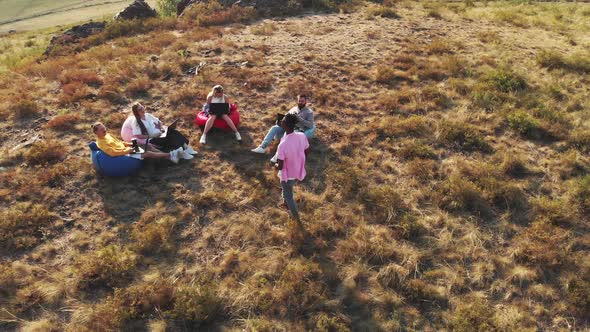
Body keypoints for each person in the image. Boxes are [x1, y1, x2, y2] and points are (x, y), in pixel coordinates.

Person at [272, 113, 309, 223]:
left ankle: (296, 217)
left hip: (288, 175)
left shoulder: (283, 145)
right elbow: (307, 149)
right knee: (287, 189)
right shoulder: (301, 136)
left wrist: (274, 165)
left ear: (285, 125)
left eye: (283, 120)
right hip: (298, 170)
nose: (281, 121)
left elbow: (281, 166)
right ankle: (285, 203)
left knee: (289, 195)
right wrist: (300, 159)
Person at [129, 103, 197, 160]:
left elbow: (159, 122)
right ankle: (182, 152)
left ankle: (186, 148)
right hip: (152, 139)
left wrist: (162, 129)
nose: (142, 110)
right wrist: (152, 136)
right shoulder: (135, 122)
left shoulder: (148, 115)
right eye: (139, 109)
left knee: (173, 131)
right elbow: (138, 136)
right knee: (171, 136)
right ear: (136, 112)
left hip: (160, 134)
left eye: (142, 107)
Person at [92, 122, 182, 163]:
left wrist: (131, 144)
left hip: (128, 149)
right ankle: (170, 155)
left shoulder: (108, 135)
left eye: (104, 128)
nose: (104, 130)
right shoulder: (101, 143)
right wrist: (128, 151)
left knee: (148, 146)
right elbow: (112, 153)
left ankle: (168, 156)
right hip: (124, 155)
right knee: (148, 153)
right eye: (102, 130)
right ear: (96, 133)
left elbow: (120, 142)